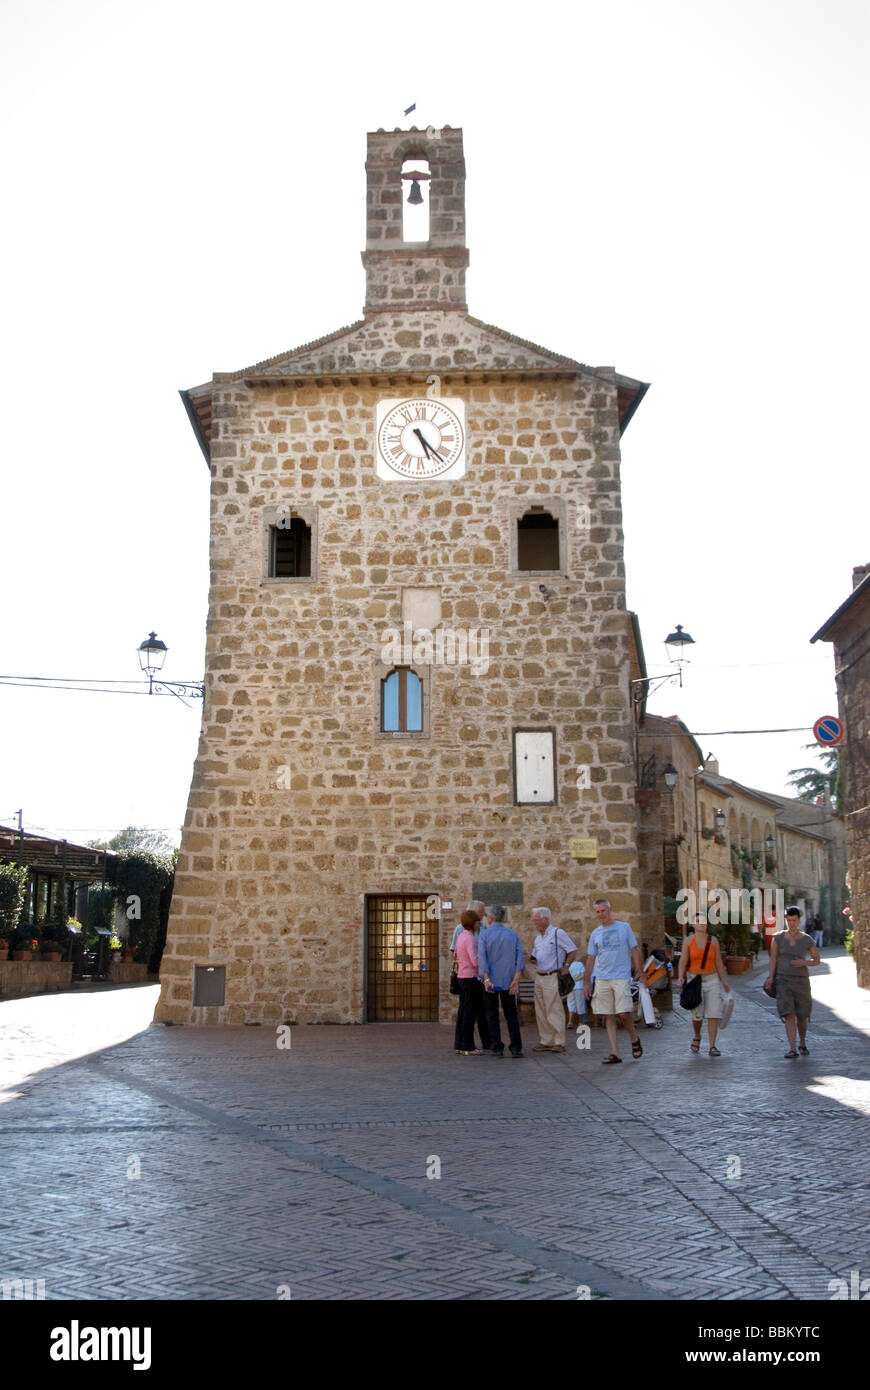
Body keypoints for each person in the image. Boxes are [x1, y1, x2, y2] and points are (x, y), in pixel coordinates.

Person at [584, 898, 643, 1063]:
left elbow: (635, 951)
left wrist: (641, 973)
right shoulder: (595, 934)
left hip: (621, 977)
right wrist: (587, 982)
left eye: (603, 911)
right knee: (608, 1015)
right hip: (602, 978)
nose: (600, 914)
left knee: (624, 1013)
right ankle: (615, 1052)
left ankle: (633, 1037)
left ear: (609, 910)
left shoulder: (624, 928)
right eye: (597, 912)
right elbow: (590, 959)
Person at [766, 906, 820, 1058]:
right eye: (788, 920)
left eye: (794, 920)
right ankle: (792, 1048)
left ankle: (802, 1042)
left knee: (802, 1015)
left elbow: (817, 960)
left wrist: (804, 963)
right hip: (783, 980)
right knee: (788, 1014)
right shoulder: (778, 938)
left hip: (801, 982)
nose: (791, 923)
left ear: (799, 920)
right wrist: (771, 977)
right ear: (785, 920)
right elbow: (773, 959)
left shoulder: (807, 939)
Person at [676, 912, 731, 1057]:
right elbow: (683, 960)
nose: (702, 923)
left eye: (704, 921)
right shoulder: (688, 941)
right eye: (698, 921)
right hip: (694, 980)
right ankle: (697, 1035)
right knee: (697, 1015)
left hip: (712, 978)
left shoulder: (713, 941)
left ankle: (712, 1046)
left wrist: (724, 981)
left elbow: (718, 961)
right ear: (693, 924)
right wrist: (681, 976)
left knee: (713, 1013)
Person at [478, 906, 525, 1057]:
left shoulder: (484, 935)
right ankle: (516, 1047)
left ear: (490, 918)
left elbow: (482, 959)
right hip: (508, 980)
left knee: (492, 1015)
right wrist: (516, 979)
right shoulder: (512, 935)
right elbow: (520, 959)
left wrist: (485, 978)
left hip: (490, 981)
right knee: (511, 1014)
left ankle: (497, 1046)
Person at [530, 908, 577, 1053]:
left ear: (546, 919)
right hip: (539, 975)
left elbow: (572, 950)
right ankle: (546, 1040)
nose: (535, 923)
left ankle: (559, 1041)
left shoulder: (558, 933)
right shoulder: (538, 938)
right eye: (534, 920)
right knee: (541, 1009)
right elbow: (534, 956)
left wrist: (566, 966)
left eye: (537, 920)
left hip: (552, 975)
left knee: (554, 1008)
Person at [454, 910, 487, 1055]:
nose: (479, 925)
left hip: (462, 976)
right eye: (477, 922)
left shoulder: (461, 937)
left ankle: (459, 1044)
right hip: (471, 978)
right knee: (470, 1013)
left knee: (463, 1012)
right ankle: (468, 1046)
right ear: (473, 923)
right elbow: (475, 961)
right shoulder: (471, 939)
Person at [565, 958, 587, 1030]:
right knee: (580, 1004)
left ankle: (570, 1022)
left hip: (570, 987)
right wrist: (576, 980)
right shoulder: (580, 964)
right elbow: (583, 975)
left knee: (571, 1004)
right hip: (579, 987)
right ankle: (580, 1022)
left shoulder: (567, 966)